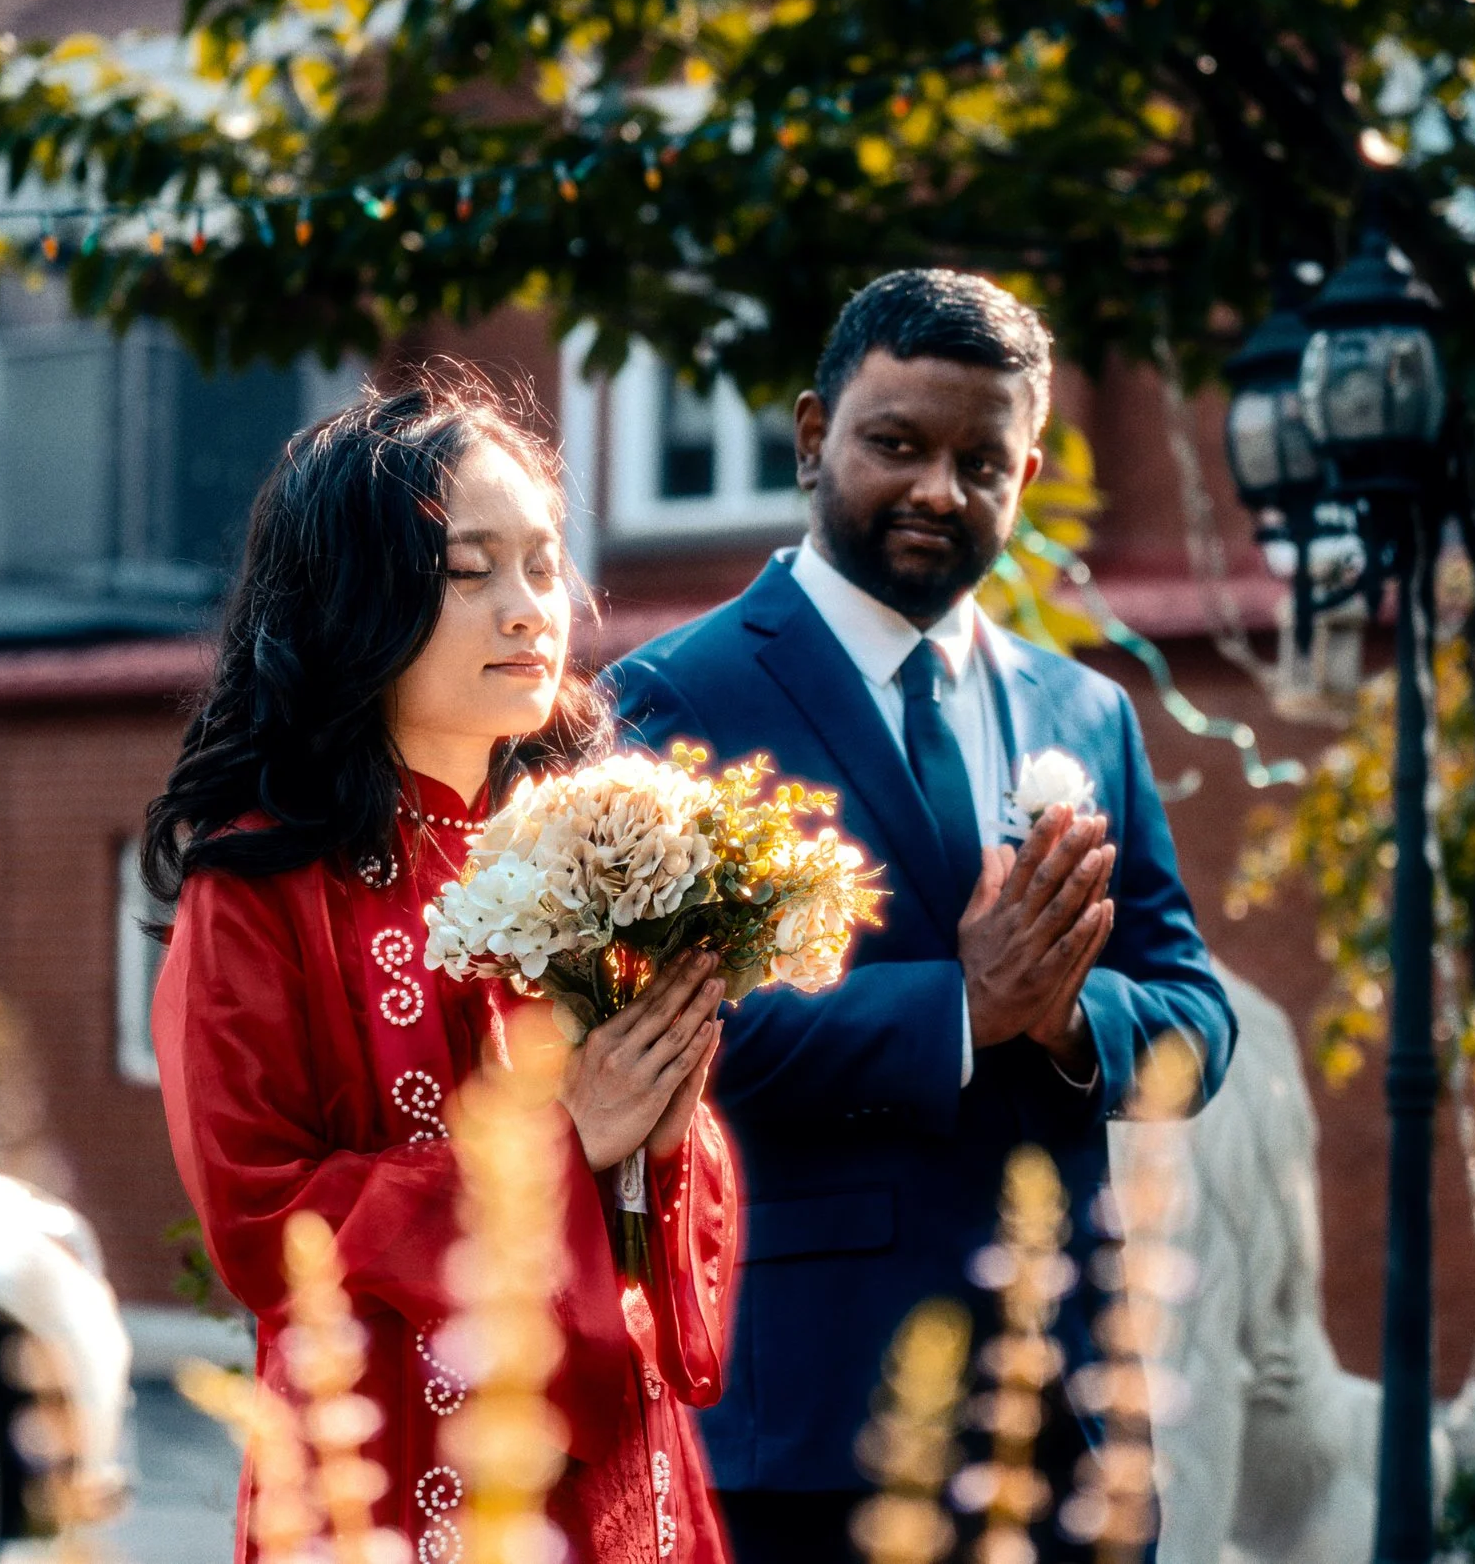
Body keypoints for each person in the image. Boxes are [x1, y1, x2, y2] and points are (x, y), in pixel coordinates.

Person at [604, 269, 1234, 1562]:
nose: (940, 488)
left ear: (1028, 466)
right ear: (810, 433)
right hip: (811, 1412)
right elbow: (664, 1031)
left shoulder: (1087, 711)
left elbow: (1195, 1010)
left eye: (981, 459)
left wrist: (1067, 1017)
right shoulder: (673, 699)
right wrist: (960, 1009)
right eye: (897, 443)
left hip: (1065, 1412)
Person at [143, 374, 740, 1564]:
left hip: (618, 1465)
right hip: (392, 1452)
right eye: (470, 570)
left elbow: (654, 1175)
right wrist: (552, 1141)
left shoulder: (598, 861)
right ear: (353, 597)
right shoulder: (263, 884)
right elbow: (262, 1214)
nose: (530, 610)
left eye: (543, 561)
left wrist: (670, 1126)